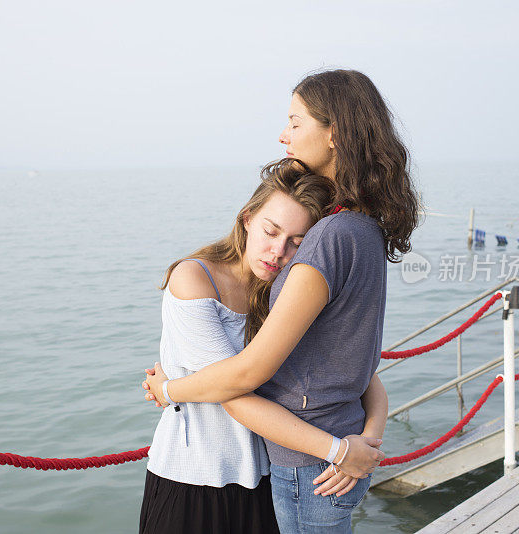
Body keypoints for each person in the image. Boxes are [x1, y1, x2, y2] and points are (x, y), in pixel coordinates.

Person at [143, 69, 420, 533]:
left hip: (298, 466)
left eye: (295, 121)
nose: (283, 134)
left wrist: (170, 390)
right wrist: (362, 443)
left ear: (334, 133)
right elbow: (353, 363)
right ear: (248, 220)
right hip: (224, 475)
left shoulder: (331, 237)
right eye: (271, 231)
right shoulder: (362, 228)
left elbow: (247, 377)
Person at [141, 159, 344, 534]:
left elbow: (356, 367)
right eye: (270, 231)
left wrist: (369, 441)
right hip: (190, 482)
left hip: (267, 480)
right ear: (247, 219)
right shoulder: (194, 278)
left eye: (296, 243)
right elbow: (233, 389)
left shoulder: (286, 294)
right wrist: (338, 451)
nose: (278, 251)